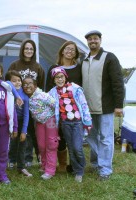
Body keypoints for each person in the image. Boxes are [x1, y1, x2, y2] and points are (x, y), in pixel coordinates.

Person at [82, 30, 125, 181]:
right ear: (87, 42)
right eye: (90, 39)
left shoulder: (109, 58)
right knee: (92, 138)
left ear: (100, 40)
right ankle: (95, 164)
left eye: (95, 39)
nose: (92, 41)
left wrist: (119, 105)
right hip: (88, 107)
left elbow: (118, 82)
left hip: (105, 107)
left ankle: (105, 169)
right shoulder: (85, 59)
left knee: (106, 138)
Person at [49, 67, 92, 183]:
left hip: (77, 123)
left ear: (65, 77)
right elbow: (47, 104)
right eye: (57, 78)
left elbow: (83, 104)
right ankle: (78, 171)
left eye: (61, 77)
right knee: (71, 149)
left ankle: (81, 166)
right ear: (54, 80)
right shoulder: (53, 93)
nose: (59, 79)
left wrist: (88, 122)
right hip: (65, 123)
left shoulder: (75, 89)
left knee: (78, 147)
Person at [45, 41, 82, 172]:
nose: (69, 51)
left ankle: (74, 165)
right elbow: (48, 89)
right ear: (62, 50)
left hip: (73, 110)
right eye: (67, 48)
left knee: (73, 138)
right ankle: (62, 164)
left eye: (73, 50)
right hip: (57, 109)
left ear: (76, 54)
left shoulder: (79, 68)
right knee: (59, 135)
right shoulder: (53, 68)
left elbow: (80, 89)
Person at [8, 39, 45, 167]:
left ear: (34, 51)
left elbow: (41, 85)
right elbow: (8, 83)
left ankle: (28, 158)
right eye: (26, 48)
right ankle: (12, 159)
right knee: (15, 130)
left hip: (33, 103)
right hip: (17, 102)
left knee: (30, 131)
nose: (28, 51)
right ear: (22, 50)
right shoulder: (15, 65)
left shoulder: (38, 67)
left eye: (31, 49)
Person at [23, 76, 58, 180]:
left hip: (50, 120)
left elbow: (54, 104)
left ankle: (50, 170)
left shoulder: (42, 95)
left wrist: (55, 119)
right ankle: (44, 165)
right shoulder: (25, 97)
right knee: (41, 145)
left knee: (51, 144)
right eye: (25, 84)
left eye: (30, 83)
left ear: (35, 85)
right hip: (39, 122)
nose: (27, 86)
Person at [5, 70, 32, 177]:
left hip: (21, 121)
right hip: (8, 121)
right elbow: (7, 83)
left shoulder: (25, 96)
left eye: (19, 80)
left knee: (22, 143)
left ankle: (21, 166)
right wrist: (16, 95)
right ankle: (10, 161)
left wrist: (24, 131)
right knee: (11, 142)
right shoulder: (7, 91)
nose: (17, 83)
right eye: (14, 81)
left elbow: (26, 115)